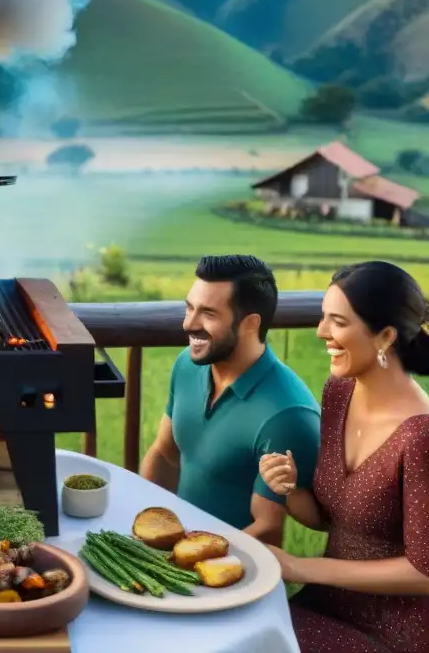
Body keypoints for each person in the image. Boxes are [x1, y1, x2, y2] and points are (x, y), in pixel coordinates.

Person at [260, 261, 429, 653]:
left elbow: (424, 571)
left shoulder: (420, 435)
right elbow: (330, 520)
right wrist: (290, 490)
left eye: (337, 321)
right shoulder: (338, 393)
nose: (321, 332)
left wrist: (300, 566)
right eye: (323, 318)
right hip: (325, 602)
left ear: (385, 336)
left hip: (394, 629)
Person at [140, 254, 321, 544]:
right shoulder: (187, 364)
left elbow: (267, 528)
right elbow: (164, 454)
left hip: (233, 572)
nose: (189, 324)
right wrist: (143, 528)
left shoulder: (286, 415)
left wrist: (185, 558)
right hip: (169, 555)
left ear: (250, 324)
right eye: (190, 308)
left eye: (208, 314)